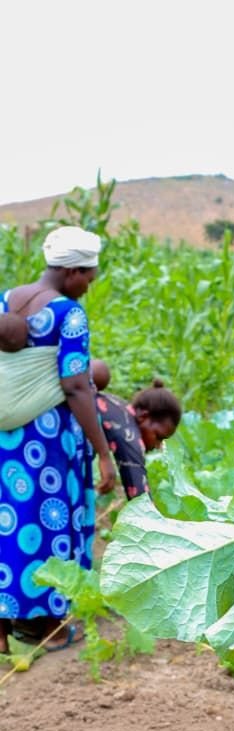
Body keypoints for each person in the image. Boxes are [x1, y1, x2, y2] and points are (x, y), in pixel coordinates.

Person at [0, 226, 116, 654]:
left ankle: (3, 628)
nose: (89, 286)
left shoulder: (5, 300)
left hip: (6, 437)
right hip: (46, 438)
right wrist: (103, 452)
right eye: (89, 277)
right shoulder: (68, 314)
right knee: (47, 522)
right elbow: (76, 385)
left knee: (9, 521)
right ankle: (44, 626)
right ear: (73, 272)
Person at [91, 359, 182, 500]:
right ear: (144, 417)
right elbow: (140, 497)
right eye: (158, 436)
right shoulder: (130, 434)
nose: (158, 446)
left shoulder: (118, 407)